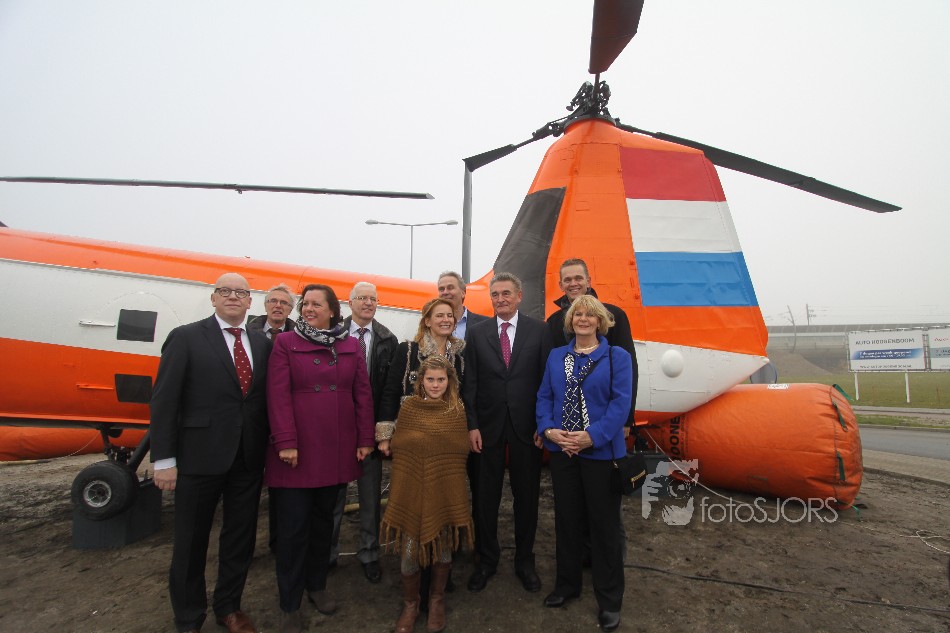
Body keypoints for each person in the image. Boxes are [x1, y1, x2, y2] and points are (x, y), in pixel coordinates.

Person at [150, 272, 272, 633]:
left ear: (250, 302)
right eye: (225, 291)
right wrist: (164, 460)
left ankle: (229, 607)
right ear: (214, 298)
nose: (233, 296)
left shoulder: (262, 344)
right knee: (190, 541)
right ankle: (189, 617)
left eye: (241, 292)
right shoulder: (186, 337)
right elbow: (164, 401)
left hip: (247, 458)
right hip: (198, 458)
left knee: (240, 538)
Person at [265, 283, 375, 633]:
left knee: (323, 525)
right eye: (305, 304)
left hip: (335, 447)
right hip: (296, 450)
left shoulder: (350, 345)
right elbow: (277, 395)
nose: (309, 309)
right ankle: (289, 603)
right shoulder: (286, 343)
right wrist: (286, 441)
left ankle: (316, 586)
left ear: (332, 311)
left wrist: (365, 438)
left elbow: (362, 394)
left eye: (316, 304)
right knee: (293, 529)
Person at [536, 294, 633, 632]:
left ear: (600, 321)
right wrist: (548, 430)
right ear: (570, 321)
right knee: (567, 521)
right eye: (577, 314)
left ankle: (609, 600)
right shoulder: (556, 356)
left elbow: (620, 404)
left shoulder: (617, 357)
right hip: (563, 452)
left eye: (590, 315)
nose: (583, 319)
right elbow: (544, 396)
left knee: (604, 527)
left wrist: (592, 437)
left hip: (600, 453)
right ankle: (567, 585)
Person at [463, 272, 551, 594]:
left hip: (527, 428)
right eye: (495, 294)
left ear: (519, 296)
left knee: (526, 498)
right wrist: (472, 425)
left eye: (506, 294)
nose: (500, 299)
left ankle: (525, 562)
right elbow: (470, 383)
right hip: (487, 428)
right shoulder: (477, 333)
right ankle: (487, 560)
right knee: (485, 499)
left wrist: (544, 424)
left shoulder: (539, 331)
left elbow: (547, 382)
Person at [377, 297, 466, 609]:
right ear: (427, 320)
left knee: (442, 507)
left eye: (449, 315)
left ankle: (437, 587)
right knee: (414, 509)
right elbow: (391, 391)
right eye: (438, 315)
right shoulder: (408, 350)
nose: (445, 320)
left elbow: (464, 396)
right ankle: (413, 596)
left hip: (445, 444)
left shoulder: (460, 356)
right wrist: (386, 433)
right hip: (413, 440)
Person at [378, 355, 474, 633]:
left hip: (443, 491)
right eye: (430, 379)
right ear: (421, 381)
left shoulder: (456, 410)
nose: (435, 384)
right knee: (409, 553)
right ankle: (411, 603)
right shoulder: (409, 408)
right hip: (412, 490)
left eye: (440, 379)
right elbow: (400, 446)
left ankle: (436, 600)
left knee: (442, 551)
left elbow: (460, 450)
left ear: (449, 381)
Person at [329, 281, 398, 583]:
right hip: (337, 430)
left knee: (370, 497)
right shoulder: (332, 335)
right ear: (350, 302)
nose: (368, 303)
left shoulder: (387, 339)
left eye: (373, 299)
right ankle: (328, 553)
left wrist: (383, 430)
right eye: (362, 298)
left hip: (370, 430)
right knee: (334, 496)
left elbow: (389, 391)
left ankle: (369, 553)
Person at [545, 258, 637, 421]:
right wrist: (548, 423)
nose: (573, 283)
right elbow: (549, 378)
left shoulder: (614, 316)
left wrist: (626, 420)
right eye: (567, 280)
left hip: (605, 417)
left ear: (588, 281)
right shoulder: (553, 323)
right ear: (561, 285)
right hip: (566, 420)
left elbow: (629, 372)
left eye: (578, 278)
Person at [437, 270, 490, 341]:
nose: (445, 292)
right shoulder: (431, 326)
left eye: (450, 288)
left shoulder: (486, 324)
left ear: (463, 293)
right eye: (441, 289)